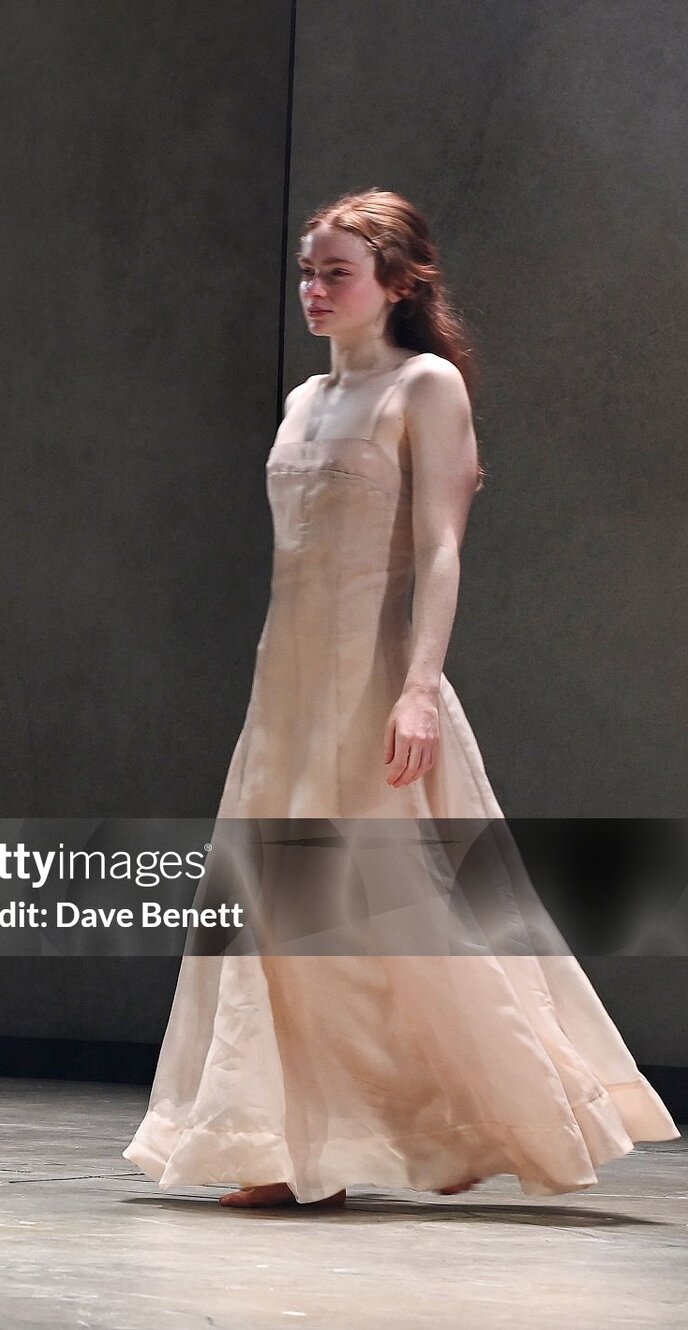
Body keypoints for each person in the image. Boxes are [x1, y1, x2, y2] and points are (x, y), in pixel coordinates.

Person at [126, 190, 676, 1205]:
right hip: (287, 690)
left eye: (336, 272)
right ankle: (291, 1144)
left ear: (397, 283)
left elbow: (440, 550)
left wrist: (418, 690)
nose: (314, 289)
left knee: (402, 907)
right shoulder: (302, 400)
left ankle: (453, 1124)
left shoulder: (426, 386)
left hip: (373, 681)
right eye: (308, 271)